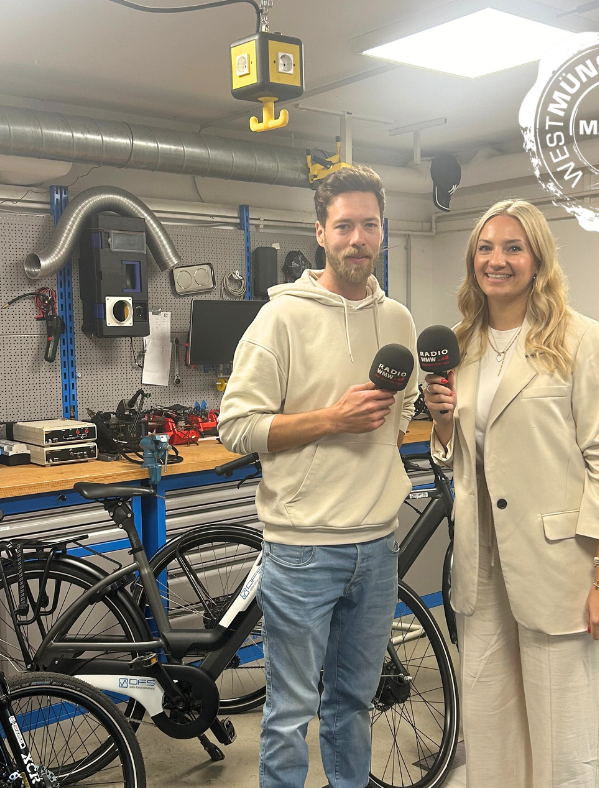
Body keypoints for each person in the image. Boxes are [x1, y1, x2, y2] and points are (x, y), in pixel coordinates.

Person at [218, 165, 418, 788]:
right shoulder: (280, 320)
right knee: (289, 712)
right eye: (344, 226)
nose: (358, 238)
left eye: (369, 225)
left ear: (383, 231)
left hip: (377, 545)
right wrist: (332, 419)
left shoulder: (399, 321)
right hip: (303, 547)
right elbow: (237, 427)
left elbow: (403, 409)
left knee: (353, 703)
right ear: (321, 233)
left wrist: (411, 426)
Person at [423, 199, 599, 788]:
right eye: (485, 248)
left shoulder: (581, 339)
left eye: (513, 248)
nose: (497, 260)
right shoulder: (461, 344)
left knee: (563, 745)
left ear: (538, 259)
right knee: (490, 736)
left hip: (560, 566)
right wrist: (443, 425)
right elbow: (463, 460)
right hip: (481, 565)